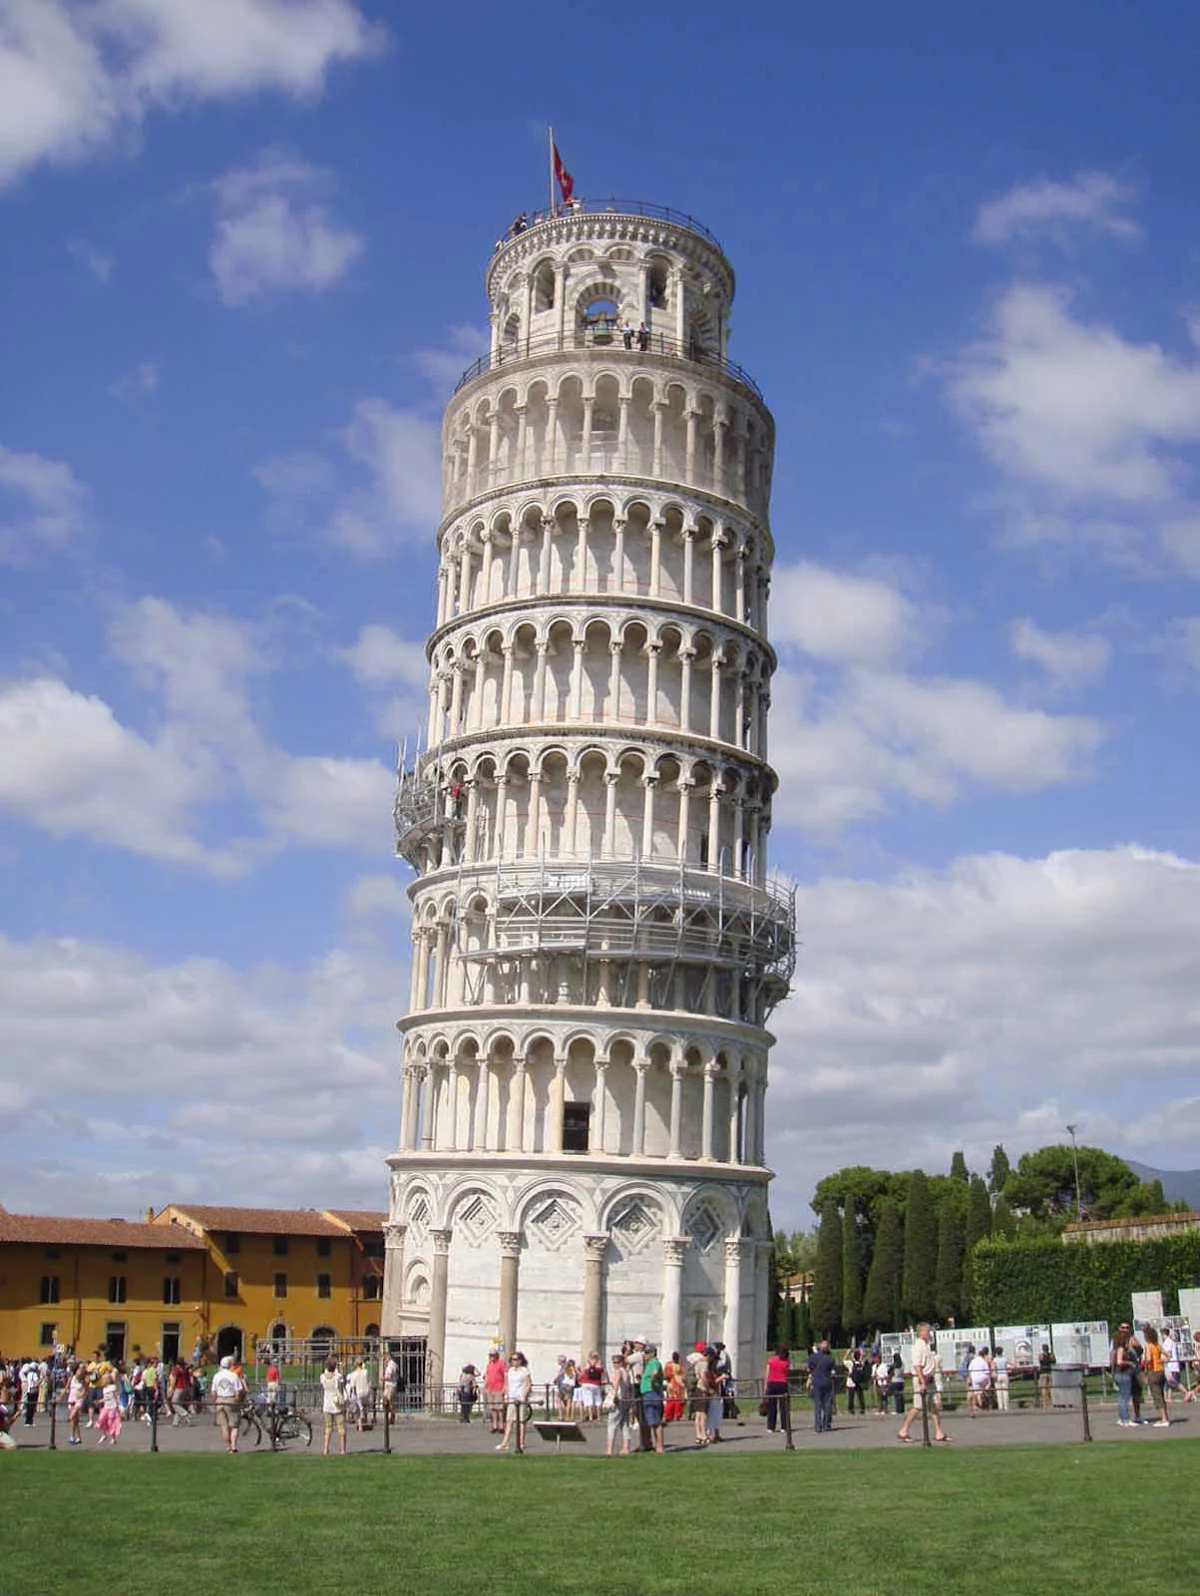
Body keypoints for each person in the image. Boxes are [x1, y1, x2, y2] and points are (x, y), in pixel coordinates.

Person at [897, 1323, 950, 1443]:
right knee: (918, 1407)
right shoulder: (918, 1346)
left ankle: (939, 1432)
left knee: (934, 1406)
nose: (929, 1333)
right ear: (920, 1332)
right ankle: (903, 1430)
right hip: (922, 1379)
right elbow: (917, 1366)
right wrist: (922, 1382)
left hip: (929, 1378)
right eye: (927, 1331)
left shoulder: (926, 1345)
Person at [497, 1351, 531, 1454]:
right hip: (512, 1397)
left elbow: (528, 1384)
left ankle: (521, 1442)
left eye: (516, 1359)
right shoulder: (510, 1371)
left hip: (520, 1398)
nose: (514, 1361)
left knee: (521, 1421)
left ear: (520, 1360)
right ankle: (505, 1442)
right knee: (509, 1420)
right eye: (512, 1359)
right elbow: (507, 1384)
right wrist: (506, 1395)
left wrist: (524, 1395)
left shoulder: (524, 1371)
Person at [210, 1354, 244, 1454]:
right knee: (234, 1425)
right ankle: (233, 1445)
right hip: (230, 1399)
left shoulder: (216, 1376)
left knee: (223, 1425)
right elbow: (238, 1391)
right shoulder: (233, 1375)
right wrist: (237, 1401)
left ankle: (228, 1446)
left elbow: (213, 1391)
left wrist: (214, 1401)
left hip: (219, 1400)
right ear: (230, 1365)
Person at [605, 1353, 635, 1456]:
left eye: (617, 1362)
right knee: (625, 1424)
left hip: (618, 1400)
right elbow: (629, 1387)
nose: (615, 1364)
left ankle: (609, 1450)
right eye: (613, 1362)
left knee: (611, 1424)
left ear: (622, 1362)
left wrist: (614, 1396)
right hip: (625, 1400)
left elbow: (616, 1383)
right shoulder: (626, 1372)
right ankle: (626, 1448)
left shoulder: (619, 1371)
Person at [1140, 1326, 1170, 1426]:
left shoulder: (1148, 1346)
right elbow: (1168, 1355)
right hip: (1161, 1371)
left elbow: (1149, 1359)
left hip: (1153, 1372)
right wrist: (1161, 1360)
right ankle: (1165, 1417)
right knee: (1161, 1394)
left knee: (1157, 1396)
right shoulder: (1157, 1346)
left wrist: (1144, 1366)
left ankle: (1164, 1419)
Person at [640, 1342, 666, 1454]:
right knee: (652, 1421)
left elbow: (655, 1372)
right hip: (648, 1393)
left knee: (656, 1422)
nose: (645, 1355)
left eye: (647, 1353)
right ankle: (656, 1445)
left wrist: (652, 1381)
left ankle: (659, 1446)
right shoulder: (649, 1364)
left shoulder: (654, 1362)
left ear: (652, 1353)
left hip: (652, 1394)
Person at [320, 1356, 348, 1456]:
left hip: (327, 1405)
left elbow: (325, 1374)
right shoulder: (338, 1377)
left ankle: (325, 1449)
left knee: (328, 1428)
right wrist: (340, 1369)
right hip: (337, 1405)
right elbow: (343, 1382)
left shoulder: (323, 1377)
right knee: (341, 1428)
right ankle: (342, 1450)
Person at [807, 1340, 835, 1434]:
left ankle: (818, 1426)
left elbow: (809, 1368)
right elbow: (832, 1370)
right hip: (827, 1381)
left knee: (818, 1405)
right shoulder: (830, 1359)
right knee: (827, 1404)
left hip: (817, 1382)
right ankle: (826, 1424)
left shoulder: (812, 1357)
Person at [762, 1344, 791, 1433]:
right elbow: (787, 1373)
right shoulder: (786, 1362)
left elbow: (767, 1374)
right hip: (782, 1383)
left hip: (771, 1383)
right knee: (783, 1407)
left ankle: (770, 1427)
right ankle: (784, 1427)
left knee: (772, 1406)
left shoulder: (771, 1360)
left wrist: (765, 1386)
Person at [1112, 1327, 1137, 1427]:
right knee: (1124, 1398)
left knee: (1121, 1397)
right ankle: (1125, 1419)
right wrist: (1129, 1363)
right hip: (1123, 1374)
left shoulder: (1118, 1349)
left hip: (1120, 1374)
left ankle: (1122, 1418)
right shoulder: (1121, 1349)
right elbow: (1119, 1362)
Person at [577, 1351, 605, 1422]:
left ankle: (590, 1416)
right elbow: (603, 1372)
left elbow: (583, 1374)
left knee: (588, 1400)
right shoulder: (599, 1364)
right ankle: (599, 1416)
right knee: (598, 1400)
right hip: (596, 1384)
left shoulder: (587, 1364)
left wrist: (579, 1380)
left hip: (586, 1383)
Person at [483, 1348, 506, 1433]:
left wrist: (505, 1387)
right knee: (492, 1408)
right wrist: (485, 1387)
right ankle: (494, 1426)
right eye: (490, 1355)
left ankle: (501, 1426)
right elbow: (487, 1376)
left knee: (499, 1408)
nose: (491, 1356)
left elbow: (505, 1375)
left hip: (499, 1389)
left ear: (497, 1355)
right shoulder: (489, 1365)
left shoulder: (501, 1363)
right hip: (490, 1389)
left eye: (493, 1355)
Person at [348, 1357, 372, 1431]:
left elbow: (352, 1386)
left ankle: (360, 1426)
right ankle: (366, 1421)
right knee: (365, 1406)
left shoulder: (354, 1374)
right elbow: (369, 1382)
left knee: (358, 1410)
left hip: (359, 1393)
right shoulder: (366, 1372)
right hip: (366, 1392)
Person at [66, 1364, 88, 1446]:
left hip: (79, 1400)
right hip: (71, 1399)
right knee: (75, 1420)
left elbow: (86, 1391)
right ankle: (77, 1437)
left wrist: (81, 1395)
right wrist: (59, 1397)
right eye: (79, 1369)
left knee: (72, 1416)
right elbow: (66, 1388)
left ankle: (72, 1436)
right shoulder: (71, 1378)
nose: (80, 1371)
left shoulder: (84, 1380)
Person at [967, 1347, 991, 1415]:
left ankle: (976, 1405)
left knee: (976, 1392)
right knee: (980, 1392)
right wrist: (988, 1382)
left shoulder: (973, 1361)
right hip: (982, 1378)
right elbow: (987, 1372)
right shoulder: (983, 1361)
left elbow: (970, 1370)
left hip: (974, 1378)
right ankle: (981, 1403)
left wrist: (970, 1378)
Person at [664, 1355, 686, 1425]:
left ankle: (669, 1415)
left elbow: (666, 1375)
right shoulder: (679, 1365)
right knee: (677, 1400)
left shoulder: (668, 1364)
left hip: (671, 1383)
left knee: (671, 1400)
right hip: (677, 1383)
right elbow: (682, 1375)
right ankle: (677, 1415)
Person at [1037, 1343, 1056, 1409]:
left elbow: (1040, 1361)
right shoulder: (1051, 1355)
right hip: (1050, 1372)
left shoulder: (1041, 1356)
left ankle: (1044, 1403)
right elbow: (1054, 1361)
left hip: (1043, 1373)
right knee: (1051, 1388)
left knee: (1043, 1388)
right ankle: (1052, 1402)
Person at [992, 1346, 1010, 1412]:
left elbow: (993, 1368)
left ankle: (1000, 1406)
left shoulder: (995, 1360)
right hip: (1004, 1374)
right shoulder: (1005, 1359)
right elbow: (1010, 1364)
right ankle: (1006, 1406)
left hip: (998, 1375)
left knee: (999, 1391)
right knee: (1005, 1391)